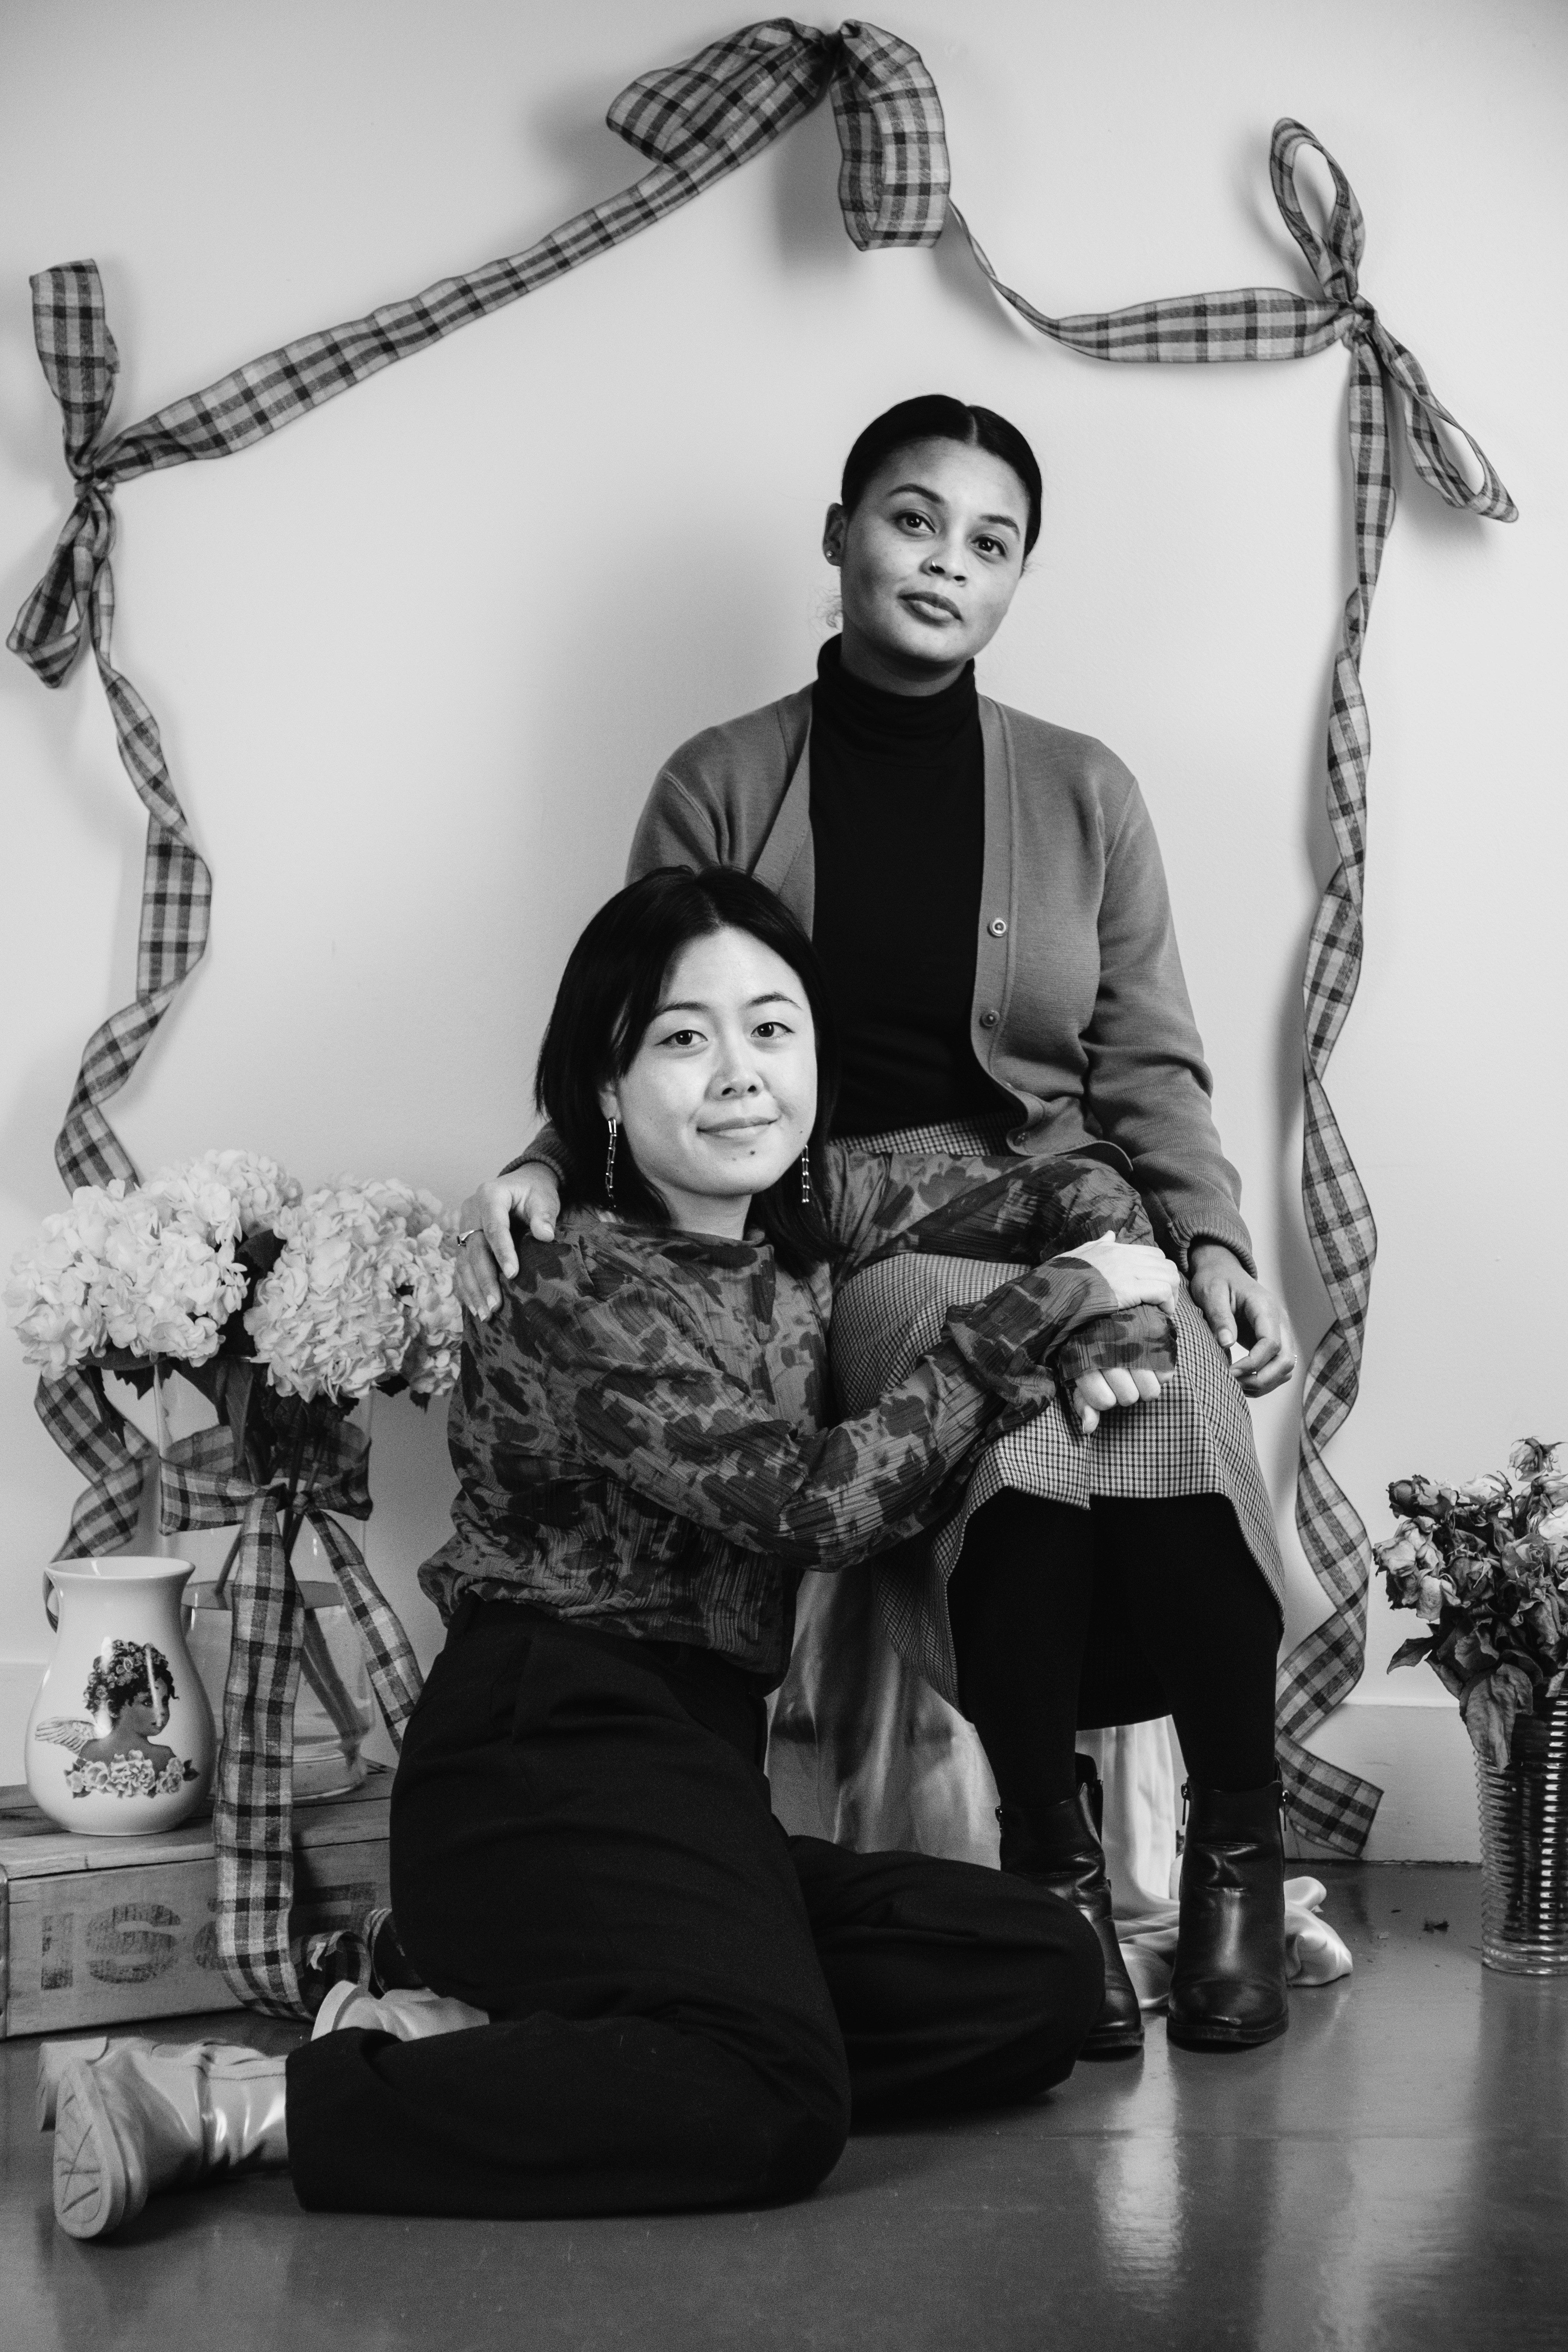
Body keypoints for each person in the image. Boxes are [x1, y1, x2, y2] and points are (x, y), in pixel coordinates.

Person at [45, 865, 1187, 2242]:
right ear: (603, 1083)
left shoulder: (822, 1208)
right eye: (681, 1037)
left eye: (773, 1029)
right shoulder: (572, 1286)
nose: (739, 1075)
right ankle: (267, 2101)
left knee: (1042, 1973)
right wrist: (1050, 1315)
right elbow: (821, 1506)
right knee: (774, 2097)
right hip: (544, 1753)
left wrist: (1115, 1321)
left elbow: (1075, 1178)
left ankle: (506, 2030)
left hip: (695, 1781)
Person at [458, 395, 1300, 2059]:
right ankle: (1053, 1879)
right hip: (848, 1235)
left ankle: (1232, 1853)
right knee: (1030, 1416)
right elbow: (653, 1008)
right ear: (838, 533)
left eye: (990, 545)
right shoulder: (720, 775)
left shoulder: (1083, 788)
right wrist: (550, 1155)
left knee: (1163, 1406)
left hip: (1070, 1200)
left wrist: (1206, 1244)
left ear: (1014, 583)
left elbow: (1146, 1058)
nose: (944, 564)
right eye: (913, 520)